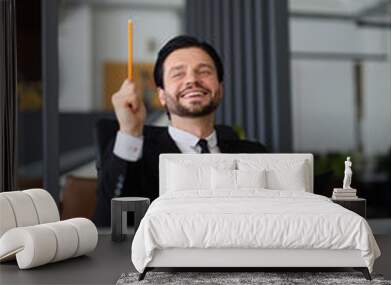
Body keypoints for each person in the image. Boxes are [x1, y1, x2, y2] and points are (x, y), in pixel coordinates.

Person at [95, 35, 267, 226]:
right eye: (178, 74)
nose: (192, 80)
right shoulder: (137, 153)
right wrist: (130, 131)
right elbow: (108, 223)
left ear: (220, 89)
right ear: (162, 95)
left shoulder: (255, 155)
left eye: (204, 71)